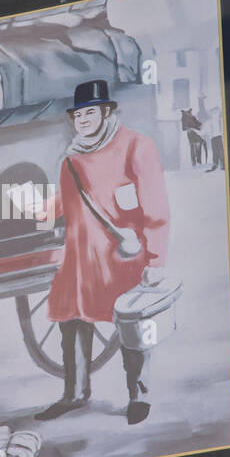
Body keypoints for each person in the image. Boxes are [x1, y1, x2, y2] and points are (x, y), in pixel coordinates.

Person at [34, 80, 169, 425]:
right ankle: (75, 393)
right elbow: (65, 203)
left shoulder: (137, 147)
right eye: (77, 115)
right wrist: (33, 211)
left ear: (107, 112)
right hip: (80, 263)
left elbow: (155, 206)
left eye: (90, 112)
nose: (82, 120)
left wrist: (156, 259)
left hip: (121, 260)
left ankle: (139, 396)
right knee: (71, 323)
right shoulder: (72, 159)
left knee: (131, 328)